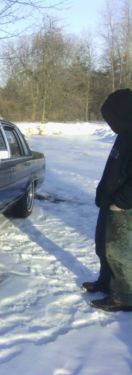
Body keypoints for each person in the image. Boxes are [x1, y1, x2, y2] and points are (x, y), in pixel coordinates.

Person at [82, 88, 132, 312]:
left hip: (124, 207)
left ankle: (124, 296)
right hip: (109, 202)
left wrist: (120, 202)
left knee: (119, 252)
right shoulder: (124, 133)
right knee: (103, 247)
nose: (110, 125)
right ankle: (106, 283)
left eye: (111, 119)